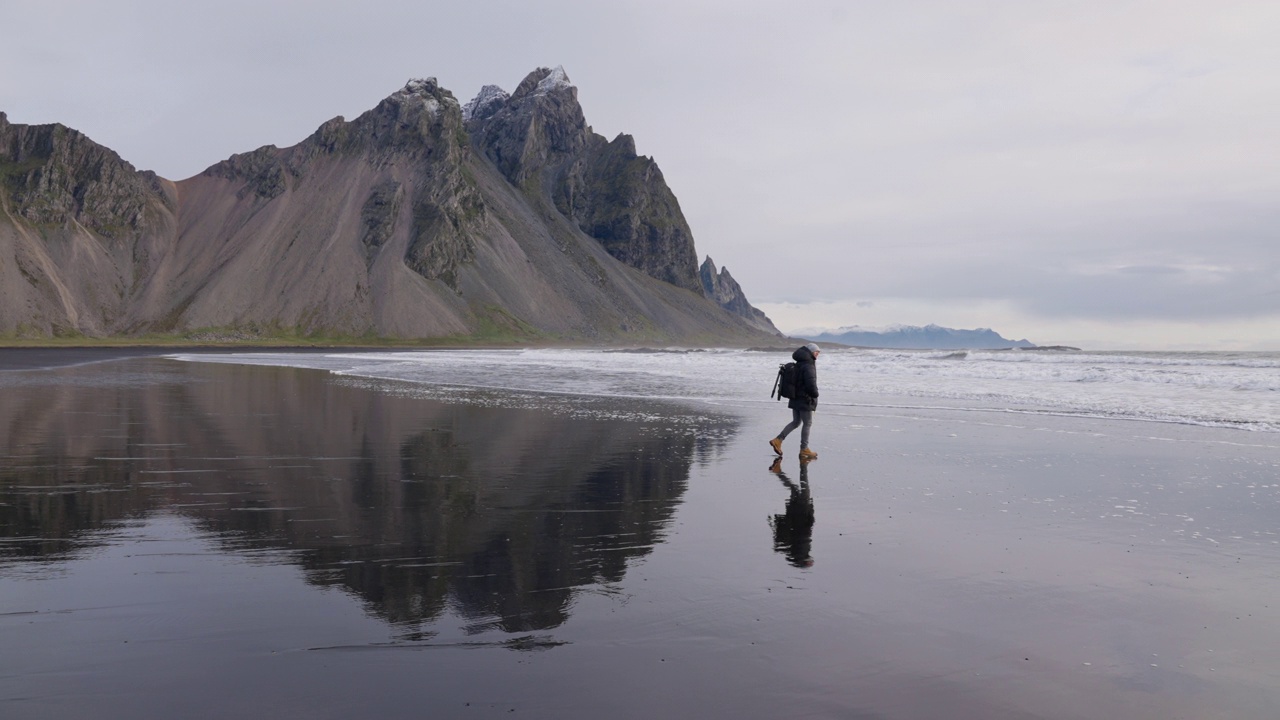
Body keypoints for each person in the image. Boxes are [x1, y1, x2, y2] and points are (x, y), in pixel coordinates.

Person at [770, 343, 820, 460]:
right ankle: (804, 449)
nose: (818, 353)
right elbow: (810, 384)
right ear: (810, 352)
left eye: (819, 352)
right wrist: (815, 394)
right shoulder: (808, 365)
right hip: (805, 399)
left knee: (796, 422)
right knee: (807, 423)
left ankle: (778, 440)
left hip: (795, 397)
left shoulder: (799, 363)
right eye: (816, 351)